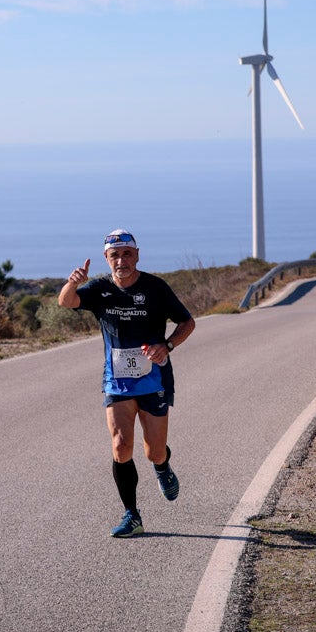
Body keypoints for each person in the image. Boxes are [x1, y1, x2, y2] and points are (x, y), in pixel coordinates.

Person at [58, 229, 196, 538]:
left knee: (153, 451)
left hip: (154, 379)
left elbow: (187, 322)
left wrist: (168, 346)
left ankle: (162, 466)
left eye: (127, 254)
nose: (121, 260)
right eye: (115, 255)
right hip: (116, 381)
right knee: (121, 445)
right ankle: (132, 515)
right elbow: (66, 302)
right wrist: (73, 282)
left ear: (137, 255)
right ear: (107, 259)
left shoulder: (156, 287)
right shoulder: (99, 289)